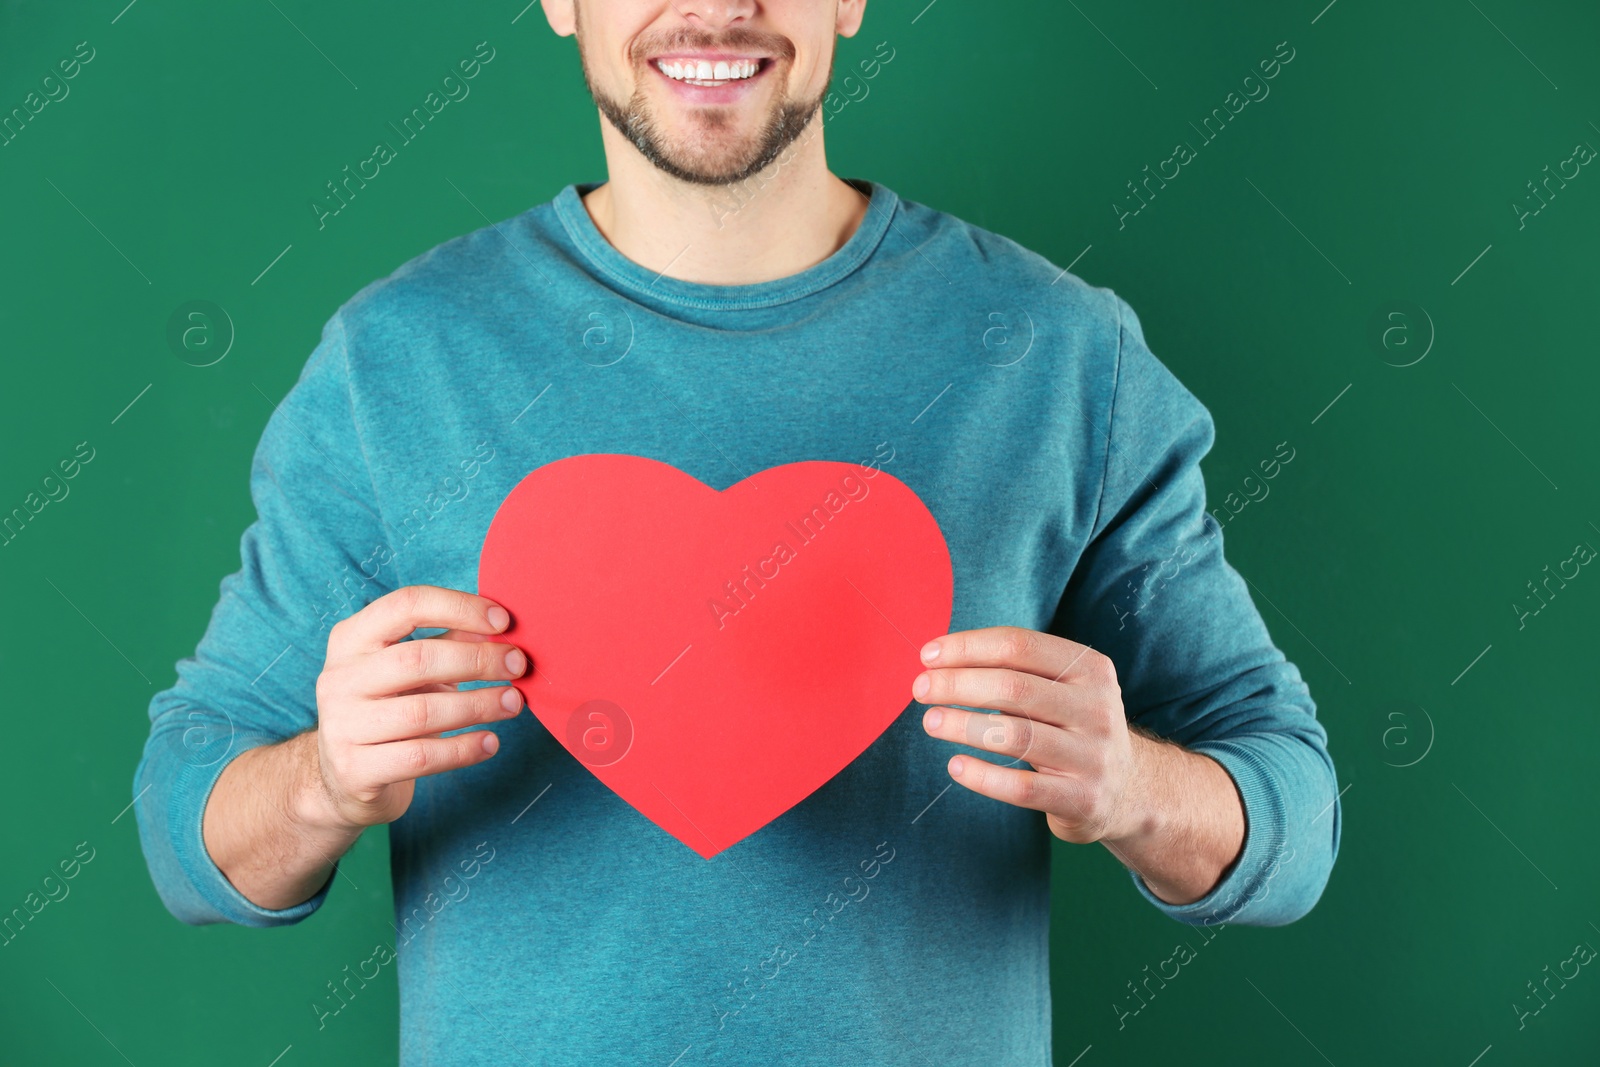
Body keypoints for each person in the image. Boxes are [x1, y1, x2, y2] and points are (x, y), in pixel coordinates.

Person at [134, 1, 1341, 1062]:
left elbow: (1292, 818)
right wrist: (326, 780)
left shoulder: (1061, 357)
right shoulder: (397, 363)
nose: (714, 6)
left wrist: (1133, 786)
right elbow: (188, 826)